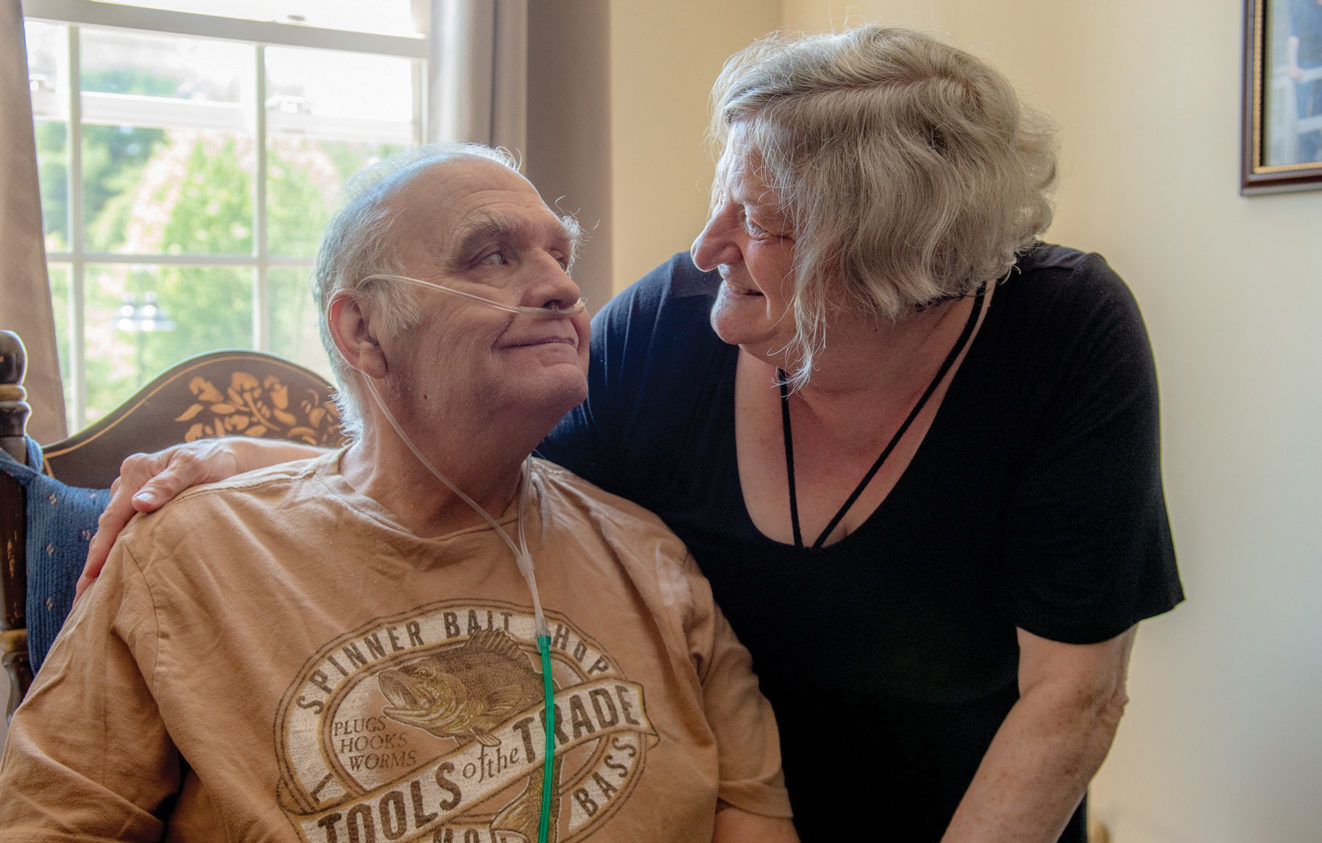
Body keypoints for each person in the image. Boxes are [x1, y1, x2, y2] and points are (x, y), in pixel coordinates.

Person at [77, 25, 1183, 842]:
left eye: (755, 222)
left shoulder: (1059, 334)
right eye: (719, 200)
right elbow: (465, 479)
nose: (703, 248)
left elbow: (1069, 700)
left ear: (885, 256)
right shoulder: (673, 326)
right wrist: (263, 468)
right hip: (726, 787)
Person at [0, 143, 798, 843]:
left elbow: (752, 819)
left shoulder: (655, 564)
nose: (561, 286)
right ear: (362, 331)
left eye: (561, 256)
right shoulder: (185, 555)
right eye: (490, 256)